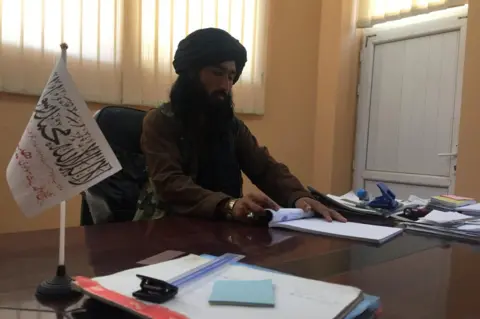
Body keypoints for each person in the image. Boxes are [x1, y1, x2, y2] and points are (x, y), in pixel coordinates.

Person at [139, 28, 346, 224]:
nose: (226, 86)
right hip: (166, 228)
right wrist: (227, 205)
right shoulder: (159, 121)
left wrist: (298, 197)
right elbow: (170, 184)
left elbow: (264, 168)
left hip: (222, 227)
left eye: (231, 76)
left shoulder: (231, 126)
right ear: (192, 74)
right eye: (217, 73)